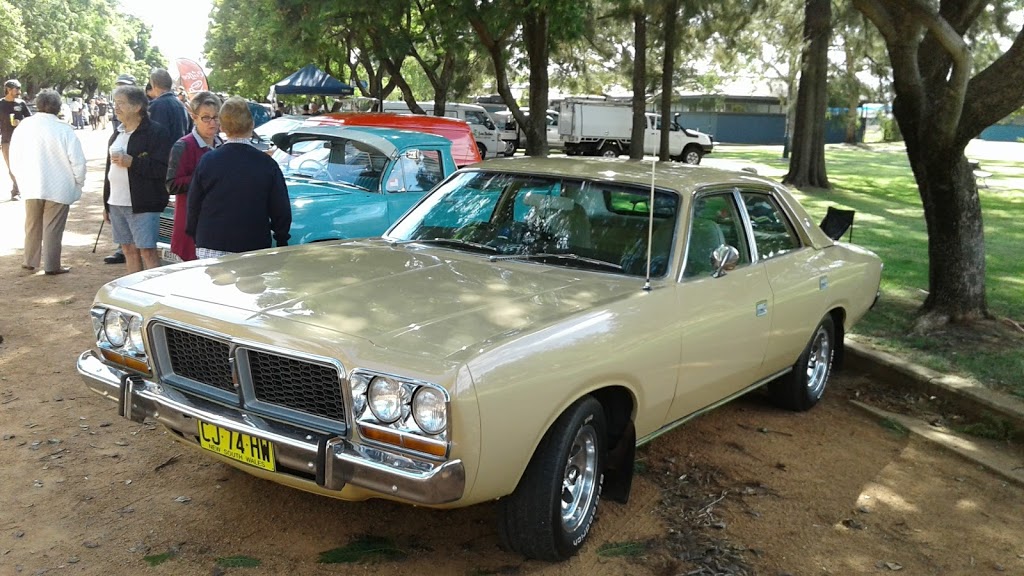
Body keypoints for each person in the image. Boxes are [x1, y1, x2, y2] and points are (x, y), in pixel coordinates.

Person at [186, 97, 291, 258]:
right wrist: (281, 238)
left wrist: (194, 234)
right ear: (252, 125)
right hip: (252, 245)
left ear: (222, 126)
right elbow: (280, 209)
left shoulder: (208, 161)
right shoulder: (266, 164)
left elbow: (194, 204)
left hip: (211, 243)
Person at [9, 90, 87, 275]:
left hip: (31, 183)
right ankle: (52, 266)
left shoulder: (25, 125)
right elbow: (77, 161)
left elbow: (14, 155)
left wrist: (19, 177)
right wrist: (78, 182)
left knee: (32, 224)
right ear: (58, 107)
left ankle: (30, 260)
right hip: (60, 185)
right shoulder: (64, 129)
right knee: (53, 228)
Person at [103, 84, 171, 273]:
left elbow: (162, 169)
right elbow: (108, 172)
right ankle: (136, 296)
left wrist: (132, 162)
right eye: (115, 103)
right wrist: (106, 203)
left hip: (144, 203)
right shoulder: (117, 132)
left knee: (148, 252)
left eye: (121, 103)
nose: (116, 107)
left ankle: (154, 294)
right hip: (116, 202)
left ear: (137, 107)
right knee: (128, 250)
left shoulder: (156, 133)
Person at [165, 91, 223, 262]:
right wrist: (202, 178)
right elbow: (171, 184)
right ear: (194, 117)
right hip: (190, 225)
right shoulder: (183, 145)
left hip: (216, 224)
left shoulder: (222, 145)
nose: (212, 123)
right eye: (206, 118)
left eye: (216, 117)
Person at [106, 73, 137, 265]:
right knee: (127, 244)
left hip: (136, 191)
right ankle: (121, 248)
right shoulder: (117, 113)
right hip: (116, 191)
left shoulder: (140, 111)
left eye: (124, 86)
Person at [1, 79, 31, 201]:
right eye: (17, 88)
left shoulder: (21, 103)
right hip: (6, 140)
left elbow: (30, 119)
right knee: (11, 167)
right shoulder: (0, 104)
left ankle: (21, 189)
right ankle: (16, 191)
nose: (19, 91)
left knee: (21, 165)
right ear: (8, 89)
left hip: (21, 139)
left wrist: (21, 122)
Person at [147, 69, 190, 144]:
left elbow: (154, 136)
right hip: (181, 152)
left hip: (163, 153)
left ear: (154, 85)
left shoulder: (156, 106)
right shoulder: (181, 105)